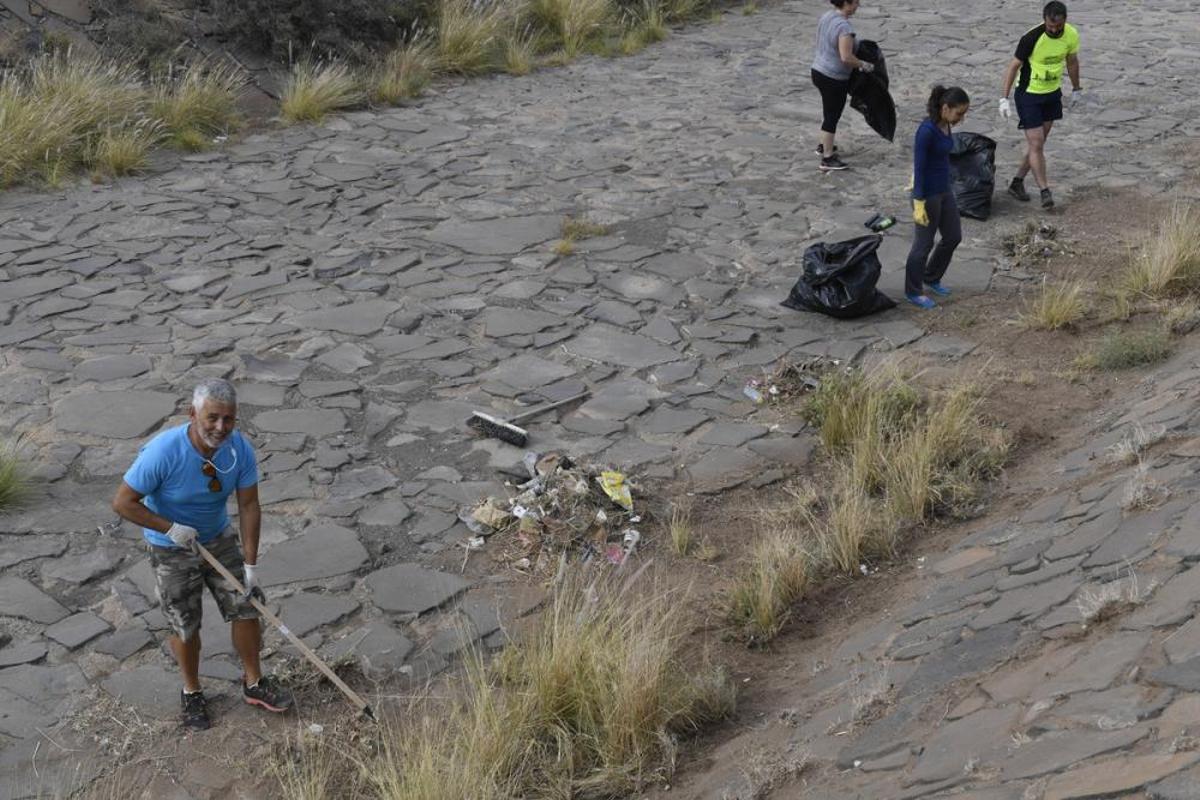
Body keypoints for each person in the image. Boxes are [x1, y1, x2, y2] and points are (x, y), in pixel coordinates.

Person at [112, 378, 293, 730]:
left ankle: (254, 682)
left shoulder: (239, 450)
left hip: (216, 537)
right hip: (170, 547)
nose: (220, 427)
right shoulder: (163, 451)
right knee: (184, 623)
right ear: (192, 413)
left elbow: (249, 505)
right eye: (212, 417)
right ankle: (192, 691)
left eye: (228, 419)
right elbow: (122, 503)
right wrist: (170, 528)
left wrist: (250, 564)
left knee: (247, 606)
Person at [998, 0, 1082, 209]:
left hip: (1052, 94)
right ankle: (1045, 191)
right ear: (1044, 20)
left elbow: (1072, 61)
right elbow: (1013, 67)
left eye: (1058, 26)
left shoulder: (1071, 35)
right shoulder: (1031, 38)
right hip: (1029, 95)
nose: (1053, 30)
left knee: (1038, 143)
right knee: (1036, 144)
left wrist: (1076, 88)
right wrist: (1004, 98)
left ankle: (1017, 182)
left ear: (1065, 21)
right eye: (1050, 26)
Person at [904, 86, 970, 310]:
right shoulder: (926, 131)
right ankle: (913, 291)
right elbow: (919, 167)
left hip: (944, 190)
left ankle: (931, 276)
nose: (961, 118)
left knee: (953, 236)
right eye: (959, 113)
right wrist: (918, 202)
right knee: (923, 244)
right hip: (926, 194)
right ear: (945, 108)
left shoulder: (946, 125)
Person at [810, 0, 876, 172]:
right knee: (832, 116)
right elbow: (846, 57)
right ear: (846, 2)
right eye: (856, 2)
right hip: (833, 77)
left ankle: (823, 145)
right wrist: (864, 64)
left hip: (818, 70)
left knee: (828, 110)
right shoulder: (844, 27)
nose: (858, 5)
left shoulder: (827, 16)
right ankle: (827, 158)